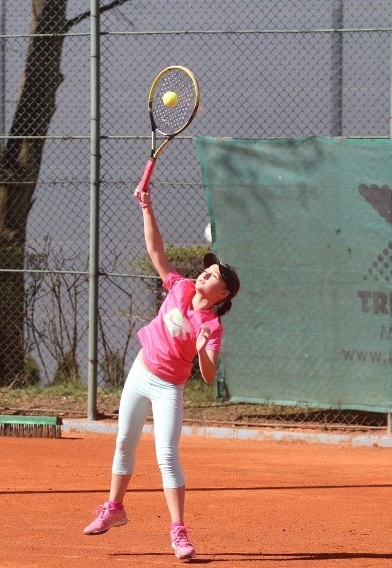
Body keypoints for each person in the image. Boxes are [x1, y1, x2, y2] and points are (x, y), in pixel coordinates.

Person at [82, 175, 241, 560]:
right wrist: (147, 206)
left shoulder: (213, 327)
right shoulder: (182, 287)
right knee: (124, 441)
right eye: (207, 269)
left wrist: (203, 349)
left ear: (222, 295)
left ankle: (179, 532)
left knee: (167, 456)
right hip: (140, 373)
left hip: (169, 387)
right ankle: (114, 508)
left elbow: (208, 376)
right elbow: (156, 252)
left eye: (213, 274)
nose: (205, 271)